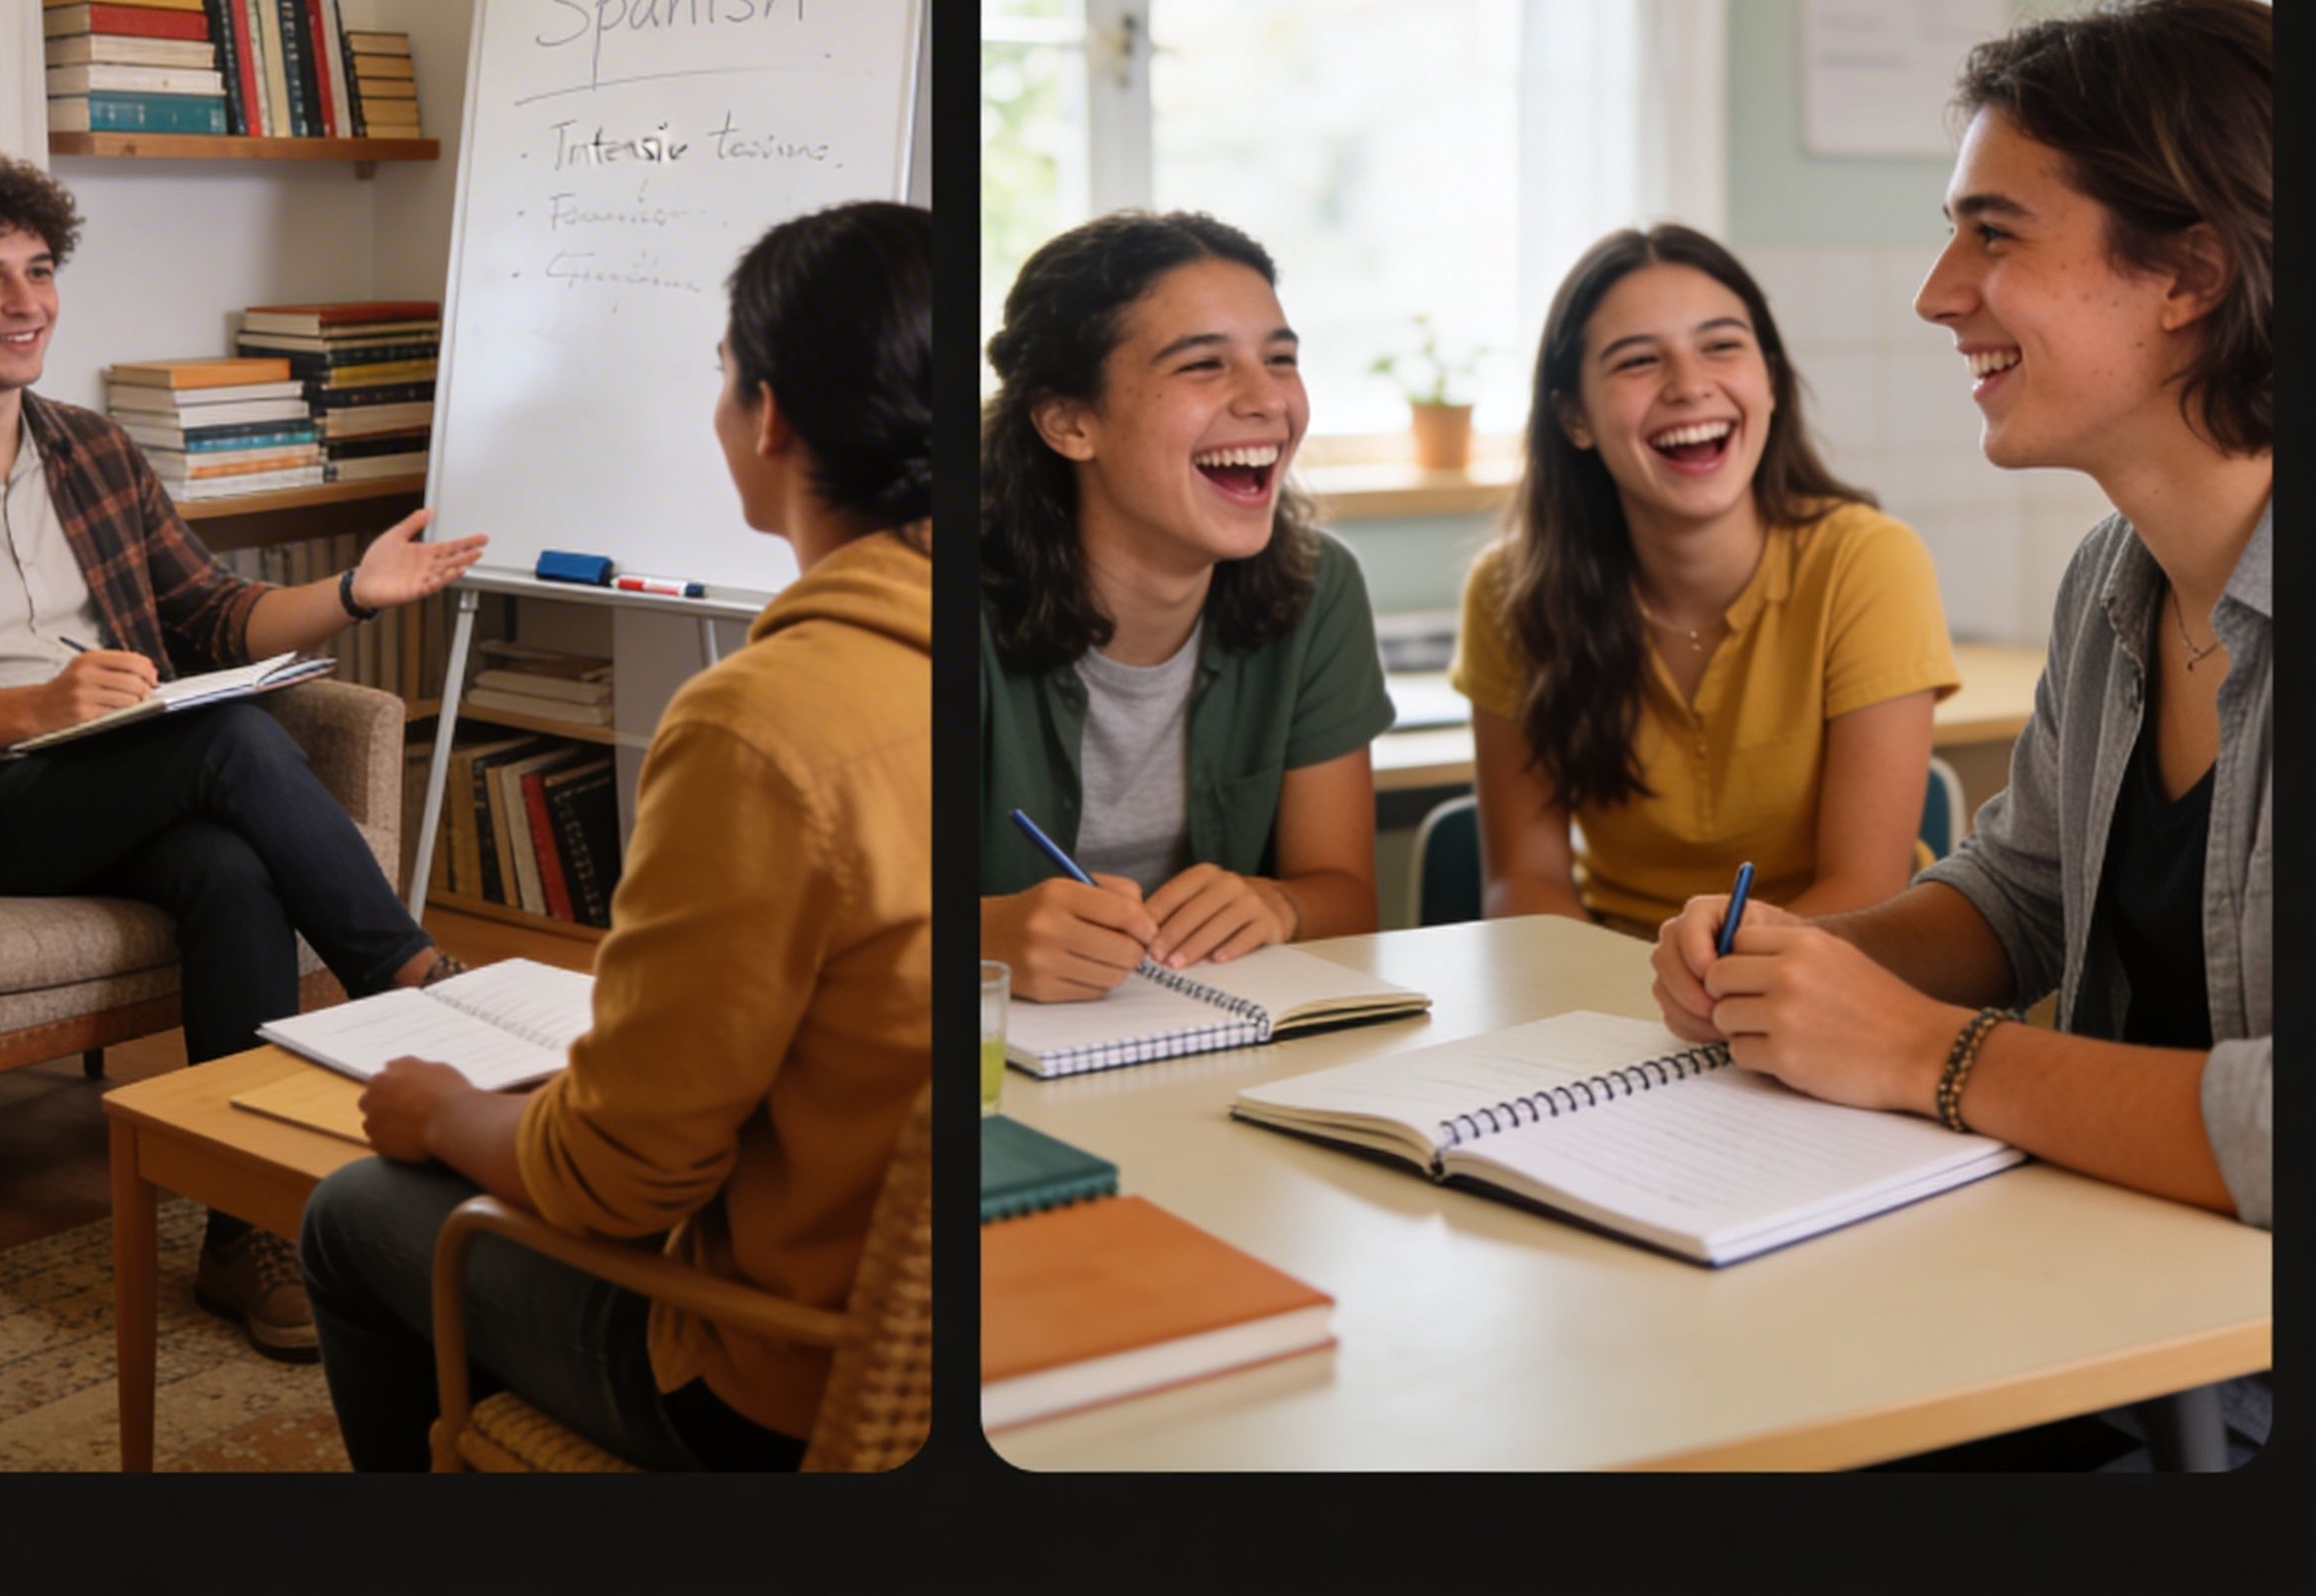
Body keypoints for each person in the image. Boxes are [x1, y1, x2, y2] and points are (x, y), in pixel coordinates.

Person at [1644, 0, 2272, 1469]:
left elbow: (2295, 1121)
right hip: (2091, 1307)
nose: (1937, 290)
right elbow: (2018, 893)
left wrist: (1925, 1053)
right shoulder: (2114, 579)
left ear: (2187, 272)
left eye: (1994, 234)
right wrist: (1808, 968)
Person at [0, 150, 488, 1357]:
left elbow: (214, 615)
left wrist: (355, 593)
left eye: (39, 272)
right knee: (227, 740)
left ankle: (238, 1230)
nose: (25, 304)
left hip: (135, 776)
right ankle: (417, 990)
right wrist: (34, 710)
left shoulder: (96, 452)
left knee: (228, 868)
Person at [293, 200, 936, 1470]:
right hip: (966, 1351)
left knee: (354, 1213)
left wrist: (444, 1113)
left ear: (768, 414)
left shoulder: (764, 727)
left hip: (774, 1383)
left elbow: (619, 1180)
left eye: (720, 370)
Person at [1452, 224, 1957, 935]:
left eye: (1721, 346)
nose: (1690, 387)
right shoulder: (1510, 592)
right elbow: (1524, 882)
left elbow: (1863, 885)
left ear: (1771, 380)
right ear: (1574, 417)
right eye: (1636, 361)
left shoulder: (1870, 562)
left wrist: (1708, 984)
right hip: (1609, 997)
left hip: (1828, 972)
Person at [976, 210, 1386, 995]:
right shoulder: (931, 596)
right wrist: (983, 934)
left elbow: (1346, 897)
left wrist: (1279, 904)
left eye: (1281, 358)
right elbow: (843, 916)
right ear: (1069, 421)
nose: (1267, 400)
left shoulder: (1319, 586)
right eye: (1203, 365)